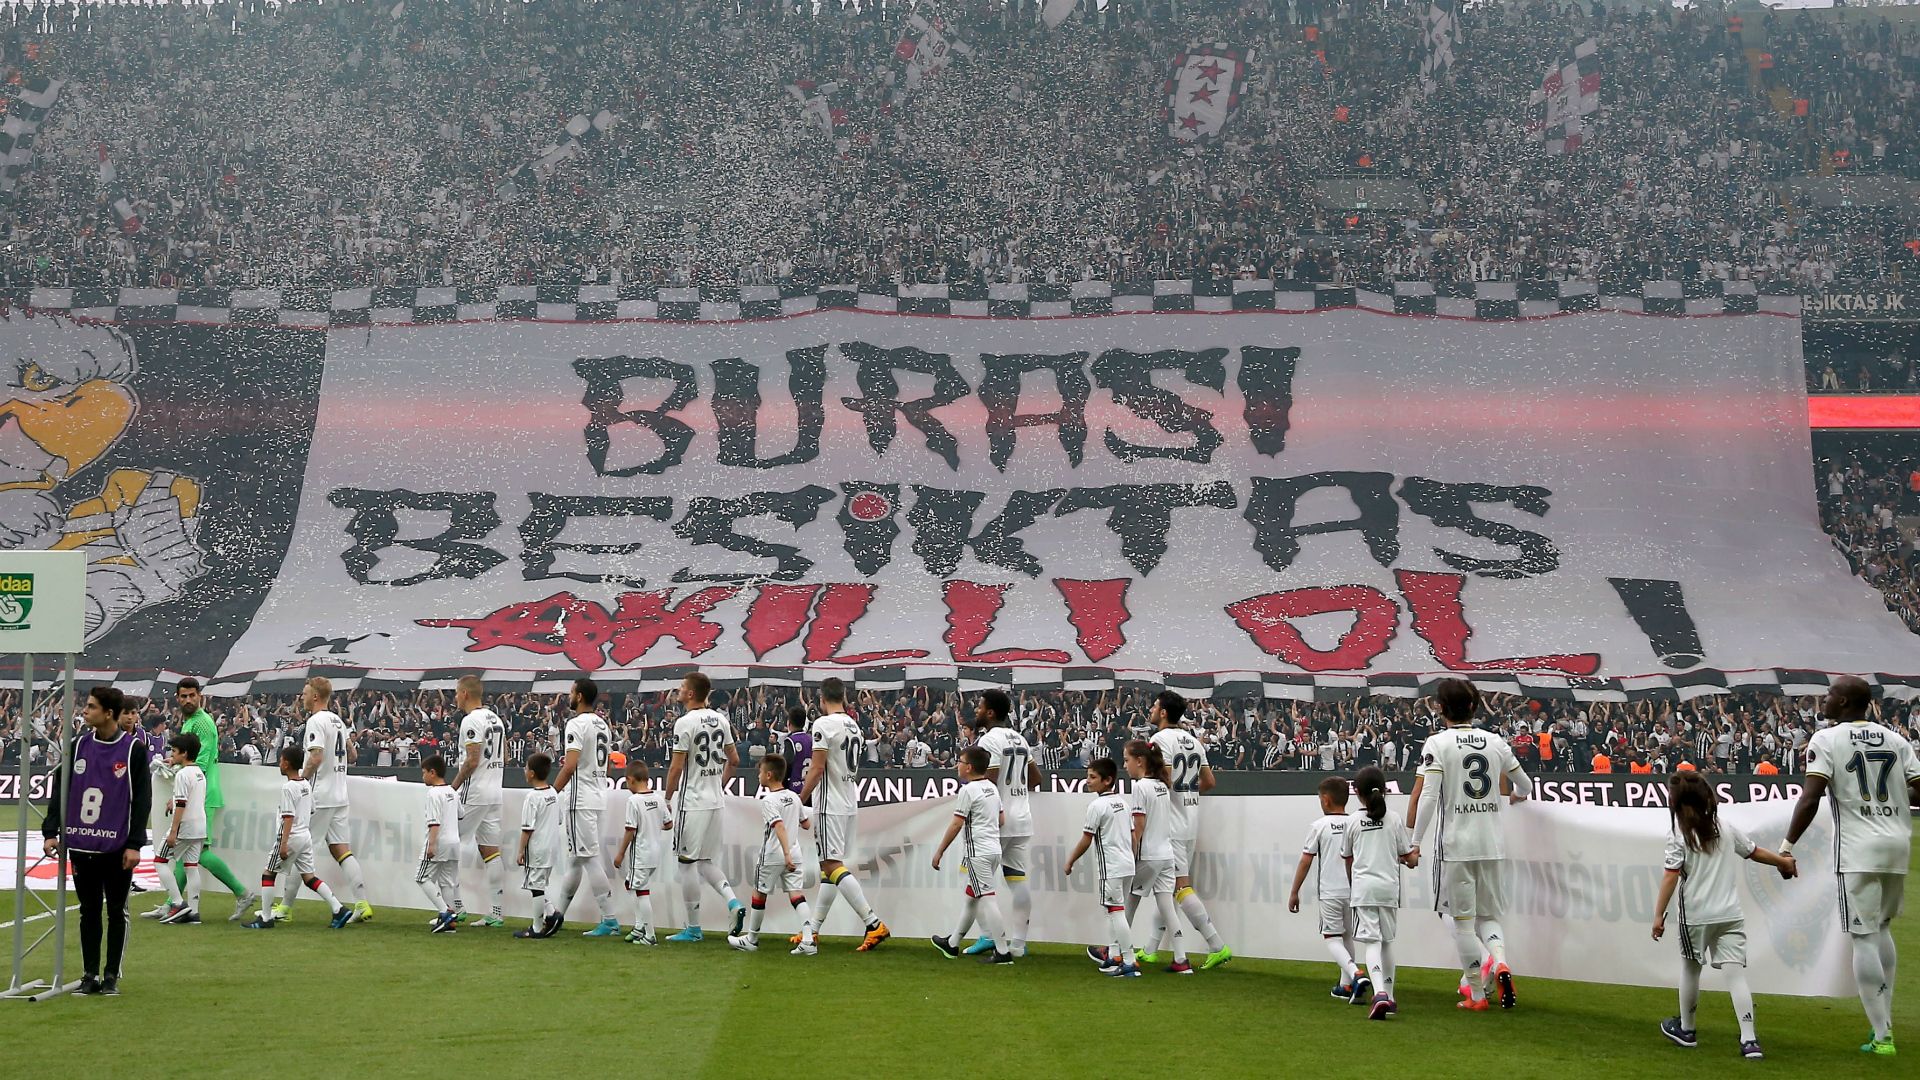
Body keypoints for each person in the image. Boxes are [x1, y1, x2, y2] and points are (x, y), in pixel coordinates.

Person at [1782, 675, 1920, 1056]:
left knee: (1863, 936)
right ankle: (1885, 1020)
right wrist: (1893, 796)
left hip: (1858, 848)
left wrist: (1787, 845)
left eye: (1830, 695)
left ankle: (1882, 1035)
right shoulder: (1895, 739)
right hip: (1897, 844)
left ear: (1844, 702)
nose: (1824, 700)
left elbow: (1810, 799)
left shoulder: (1826, 740)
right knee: (1882, 927)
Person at [1408, 678, 1533, 1011]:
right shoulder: (1495, 741)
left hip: (1456, 846)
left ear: (1440, 708)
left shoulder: (1437, 743)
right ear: (1474, 707)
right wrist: (1517, 796)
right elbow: (1525, 785)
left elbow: (1429, 797)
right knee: (1488, 915)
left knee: (1462, 922)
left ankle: (1477, 995)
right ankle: (1500, 961)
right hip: (1492, 843)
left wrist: (1415, 842)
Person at [1654, 771, 1796, 1061]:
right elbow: (1754, 852)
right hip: (1730, 914)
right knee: (1735, 975)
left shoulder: (1678, 833)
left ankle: (1687, 1030)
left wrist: (1658, 915)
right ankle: (1749, 1040)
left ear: (1677, 801)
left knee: (1690, 969)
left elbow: (1670, 876)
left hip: (1696, 915)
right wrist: (1783, 863)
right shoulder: (1724, 826)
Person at [41, 686, 151, 996]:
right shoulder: (77, 746)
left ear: (108, 713)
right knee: (88, 911)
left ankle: (111, 975)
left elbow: (142, 800)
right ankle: (89, 974)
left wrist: (135, 843)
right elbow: (60, 789)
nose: (85, 711)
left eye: (91, 706)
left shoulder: (132, 750)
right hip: (81, 845)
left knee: (116, 912)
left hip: (116, 847)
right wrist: (51, 831)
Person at [798, 677, 888, 951]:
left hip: (830, 803)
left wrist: (799, 800)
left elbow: (817, 768)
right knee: (830, 867)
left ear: (822, 698)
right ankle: (813, 930)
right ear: (844, 697)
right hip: (849, 801)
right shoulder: (854, 726)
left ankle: (873, 923)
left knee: (831, 865)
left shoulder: (823, 724)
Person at [1147, 690, 1231, 969]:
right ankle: (1150, 949)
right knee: (1168, 886)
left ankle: (1216, 944)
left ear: (1163, 712)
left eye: (1154, 706)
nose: (1151, 710)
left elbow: (1166, 776)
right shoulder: (1193, 740)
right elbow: (1209, 782)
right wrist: (1188, 794)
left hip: (1170, 824)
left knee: (1180, 886)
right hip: (1189, 820)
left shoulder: (1160, 739)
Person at [665, 672, 746, 942]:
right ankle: (733, 902)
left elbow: (676, 767)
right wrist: (718, 785)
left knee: (686, 864)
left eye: (682, 687)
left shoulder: (684, 723)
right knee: (706, 861)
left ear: (691, 693)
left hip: (692, 802)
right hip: (715, 801)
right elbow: (734, 760)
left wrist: (667, 799)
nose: (678, 690)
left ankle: (693, 928)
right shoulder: (721, 719)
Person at [172, 678, 255, 921]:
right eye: (184, 696)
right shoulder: (191, 721)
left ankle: (242, 892)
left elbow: (200, 761)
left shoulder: (203, 723)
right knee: (189, 849)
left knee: (198, 850)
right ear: (178, 698)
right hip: (199, 792)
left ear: (200, 696)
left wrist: (181, 791)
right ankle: (173, 903)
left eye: (192, 695)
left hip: (202, 794)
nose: (188, 700)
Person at [965, 688, 1040, 957]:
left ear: (990, 712)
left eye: (980, 706)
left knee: (976, 880)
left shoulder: (989, 740)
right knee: (1017, 880)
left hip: (996, 821)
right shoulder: (1020, 738)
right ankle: (1018, 944)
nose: (976, 711)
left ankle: (988, 935)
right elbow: (1036, 779)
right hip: (1022, 818)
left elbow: (990, 778)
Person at [546, 678, 621, 938]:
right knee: (576, 859)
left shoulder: (576, 724)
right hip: (598, 795)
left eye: (571, 692)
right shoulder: (602, 724)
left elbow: (570, 765)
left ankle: (610, 919)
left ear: (579, 696)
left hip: (580, 799)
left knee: (587, 857)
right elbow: (607, 765)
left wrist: (551, 793)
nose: (569, 695)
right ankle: (557, 915)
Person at [1342, 765, 1416, 1021]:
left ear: (1357, 792)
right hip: (1389, 888)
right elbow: (1408, 856)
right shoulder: (1393, 819)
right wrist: (1412, 856)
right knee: (1386, 942)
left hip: (1364, 888)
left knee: (1372, 942)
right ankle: (1390, 996)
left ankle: (1380, 993)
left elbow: (1348, 858)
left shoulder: (1352, 821)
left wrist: (1353, 884)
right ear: (1384, 789)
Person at [243, 746, 346, 929]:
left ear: (287, 764)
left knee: (268, 874)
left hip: (291, 836)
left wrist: (284, 843)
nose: (279, 764)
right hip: (305, 835)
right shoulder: (305, 784)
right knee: (309, 877)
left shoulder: (288, 787)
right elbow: (312, 809)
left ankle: (265, 918)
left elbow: (288, 817)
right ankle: (338, 909)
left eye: (281, 760)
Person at [930, 746, 1012, 965]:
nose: (957, 765)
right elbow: (1001, 820)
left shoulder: (968, 790)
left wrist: (940, 851)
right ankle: (952, 943)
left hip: (978, 852)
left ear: (969, 767)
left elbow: (957, 824)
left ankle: (1003, 951)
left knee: (988, 899)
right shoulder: (992, 788)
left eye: (960, 761)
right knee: (972, 897)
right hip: (994, 849)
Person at [303, 677, 372, 929]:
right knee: (341, 849)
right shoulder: (337, 721)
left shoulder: (315, 721)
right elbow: (352, 754)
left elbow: (316, 757)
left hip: (320, 795)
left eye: (305, 693)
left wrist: (301, 780)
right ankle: (362, 903)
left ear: (315, 696)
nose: (302, 697)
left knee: (300, 849)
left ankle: (284, 908)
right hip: (340, 794)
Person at [1290, 775, 1366, 1003]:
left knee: (1332, 938)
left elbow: (1306, 860)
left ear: (1325, 800)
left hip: (1330, 891)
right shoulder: (1355, 823)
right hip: (1354, 890)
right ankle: (1345, 986)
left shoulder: (1319, 826)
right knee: (1347, 936)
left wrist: (1294, 891)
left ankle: (1355, 974)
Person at [1061, 757, 1139, 978]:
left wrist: (1070, 860)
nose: (1088, 781)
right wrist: (1132, 858)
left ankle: (1129, 961)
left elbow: (1086, 839)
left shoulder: (1097, 806)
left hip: (1111, 866)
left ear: (1107, 780)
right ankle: (1114, 956)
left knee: (1116, 912)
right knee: (1113, 911)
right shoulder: (1123, 803)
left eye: (1093, 777)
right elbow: (1133, 837)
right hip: (1127, 865)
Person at [731, 754, 816, 955]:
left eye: (760, 772)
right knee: (796, 894)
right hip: (795, 852)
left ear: (768, 775)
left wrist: (785, 853)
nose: (758, 775)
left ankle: (752, 939)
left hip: (774, 854)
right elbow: (806, 824)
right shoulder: (794, 797)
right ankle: (808, 940)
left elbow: (779, 826)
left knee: (759, 893)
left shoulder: (769, 800)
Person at [1123, 738, 1188, 974]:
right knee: (1167, 907)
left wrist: (1130, 855)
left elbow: (1138, 826)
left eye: (1127, 760)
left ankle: (1118, 951)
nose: (1125, 766)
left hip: (1148, 855)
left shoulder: (1140, 787)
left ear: (1140, 761)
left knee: (1128, 902)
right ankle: (1181, 959)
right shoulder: (1162, 785)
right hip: (1166, 855)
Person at [450, 675, 509, 928]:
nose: (455, 697)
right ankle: (496, 913)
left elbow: (472, 760)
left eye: (456, 692)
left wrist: (452, 788)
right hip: (495, 791)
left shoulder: (470, 720)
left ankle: (454, 908)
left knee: (448, 842)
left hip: (474, 792)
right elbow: (505, 755)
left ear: (465, 693)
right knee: (491, 851)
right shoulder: (496, 719)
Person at [611, 759, 669, 945]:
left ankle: (649, 935)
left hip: (641, 853)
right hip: (655, 852)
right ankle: (639, 926)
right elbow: (669, 824)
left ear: (630, 779)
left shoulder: (634, 801)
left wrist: (620, 853)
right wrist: (653, 825)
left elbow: (630, 830)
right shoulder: (658, 798)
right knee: (631, 883)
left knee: (641, 891)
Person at [155, 734, 210, 925]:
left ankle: (178, 903)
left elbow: (181, 803)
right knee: (191, 866)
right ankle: (194, 912)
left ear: (184, 753)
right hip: (200, 825)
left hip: (185, 826)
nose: (172, 755)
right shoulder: (199, 773)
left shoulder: (182, 775)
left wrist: (173, 831)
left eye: (174, 751)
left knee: (160, 861)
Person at [513, 753, 563, 939]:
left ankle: (537, 926)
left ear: (532, 773)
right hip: (551, 846)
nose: (524, 771)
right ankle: (552, 914)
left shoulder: (532, 797)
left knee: (535, 886)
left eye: (526, 768)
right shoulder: (553, 793)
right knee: (538, 885)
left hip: (538, 847)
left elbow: (527, 828)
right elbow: (559, 819)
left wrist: (520, 850)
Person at [416, 756, 462, 934]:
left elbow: (434, 822)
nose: (423, 777)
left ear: (432, 772)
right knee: (447, 882)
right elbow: (461, 814)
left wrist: (432, 844)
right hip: (454, 842)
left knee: (421, 877)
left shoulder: (433, 794)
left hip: (440, 841)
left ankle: (445, 912)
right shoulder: (452, 791)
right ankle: (450, 923)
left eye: (424, 773)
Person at [782, 706, 812, 794]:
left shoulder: (791, 740)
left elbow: (786, 765)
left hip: (795, 788)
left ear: (789, 723)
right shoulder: (811, 739)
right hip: (810, 787)